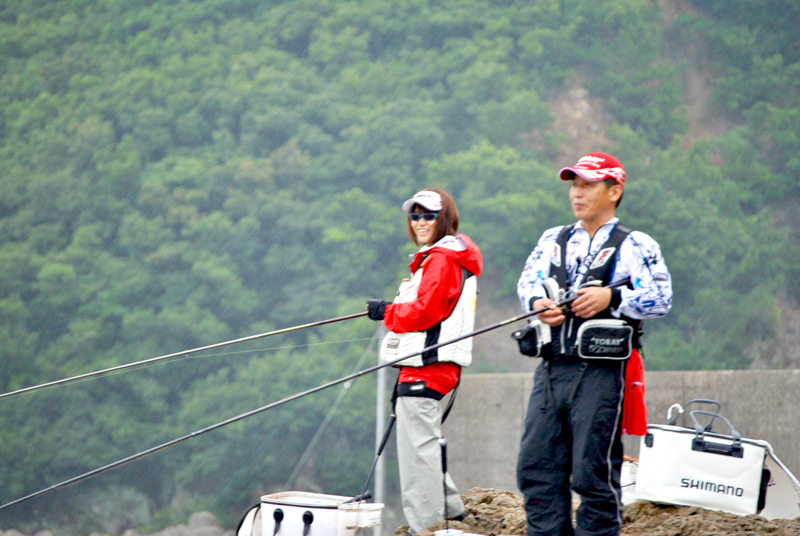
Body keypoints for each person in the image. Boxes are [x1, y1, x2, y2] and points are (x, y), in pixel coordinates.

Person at [516, 153, 673, 536]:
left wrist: (612, 298)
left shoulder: (636, 244)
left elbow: (662, 298)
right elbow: (526, 283)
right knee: (536, 468)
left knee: (593, 473)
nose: (577, 193)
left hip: (602, 373)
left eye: (588, 185)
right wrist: (537, 303)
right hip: (551, 369)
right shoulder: (552, 239)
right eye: (574, 185)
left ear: (614, 191)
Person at [366, 189, 483, 535]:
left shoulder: (441, 259)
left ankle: (427, 527)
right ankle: (450, 511)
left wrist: (388, 312)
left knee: (417, 452)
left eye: (428, 215)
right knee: (424, 445)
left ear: (444, 219)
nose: (419, 222)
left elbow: (426, 311)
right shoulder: (447, 256)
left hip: (426, 369)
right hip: (433, 368)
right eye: (414, 215)